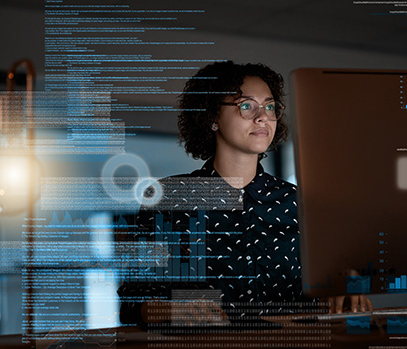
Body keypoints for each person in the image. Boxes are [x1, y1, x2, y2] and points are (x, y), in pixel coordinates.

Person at [117, 61, 366, 327]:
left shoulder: (301, 203)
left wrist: (345, 287)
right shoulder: (168, 199)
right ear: (212, 117)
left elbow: (331, 281)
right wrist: (171, 311)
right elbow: (132, 304)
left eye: (270, 107)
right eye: (247, 105)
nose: (263, 117)